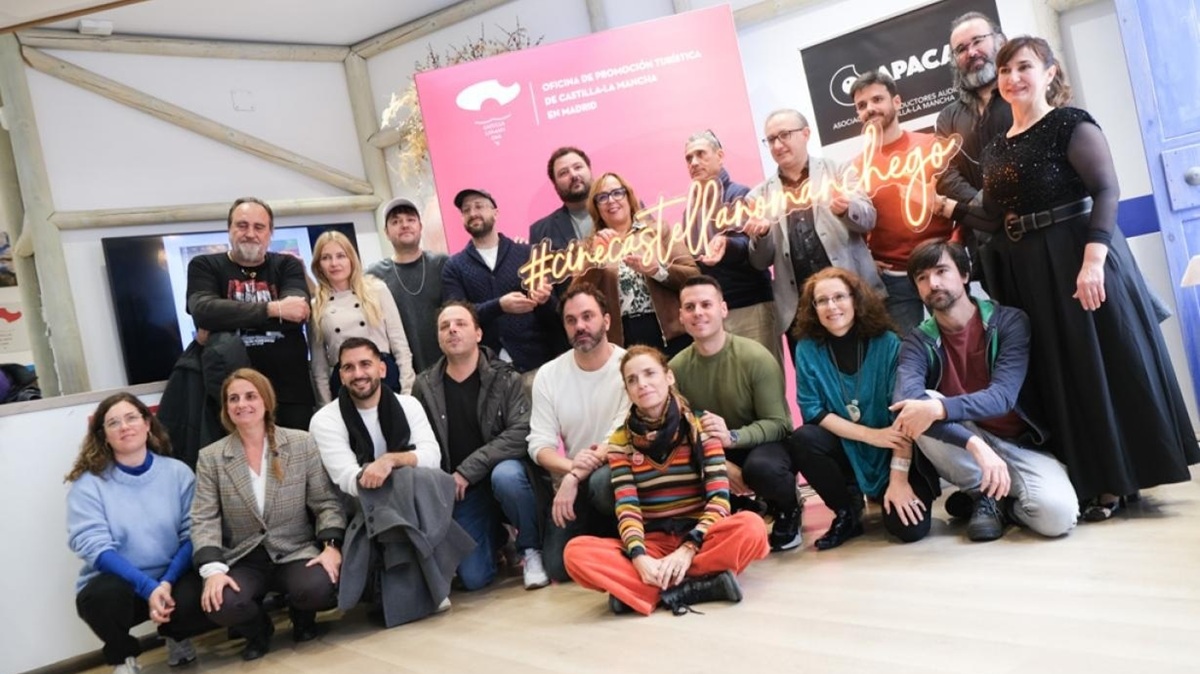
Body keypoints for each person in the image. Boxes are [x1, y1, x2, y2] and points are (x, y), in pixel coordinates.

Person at [934, 36, 1199, 520]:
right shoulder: (995, 149)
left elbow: (1106, 190)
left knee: (1097, 366)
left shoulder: (1071, 124)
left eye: (1024, 67)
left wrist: (1093, 260)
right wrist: (949, 207)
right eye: (1006, 70)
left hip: (1080, 255)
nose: (1013, 78)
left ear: (1049, 73)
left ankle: (1117, 482)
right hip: (1029, 269)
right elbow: (991, 215)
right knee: (1062, 373)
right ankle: (1092, 476)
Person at [892, 240, 1078, 541]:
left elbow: (1002, 397)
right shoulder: (917, 340)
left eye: (941, 271)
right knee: (918, 406)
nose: (933, 283)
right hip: (962, 442)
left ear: (964, 274)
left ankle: (1003, 505)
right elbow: (905, 404)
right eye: (922, 278)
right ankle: (982, 493)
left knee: (1057, 517)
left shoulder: (1008, 321)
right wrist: (974, 444)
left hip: (1019, 445)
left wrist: (941, 409)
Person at [563, 345, 769, 615]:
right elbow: (627, 508)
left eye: (650, 373)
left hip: (700, 537)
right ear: (627, 391)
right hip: (653, 543)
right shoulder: (620, 441)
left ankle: (646, 591)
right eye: (632, 380)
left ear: (668, 376)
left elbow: (719, 500)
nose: (642, 384)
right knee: (575, 553)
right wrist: (639, 557)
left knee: (752, 527)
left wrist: (688, 549)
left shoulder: (701, 429)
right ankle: (703, 585)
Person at [309, 338, 470, 626]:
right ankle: (429, 587)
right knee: (408, 480)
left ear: (382, 369)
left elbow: (432, 457)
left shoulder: (409, 405)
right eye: (348, 367)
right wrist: (393, 473)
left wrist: (391, 461)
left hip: (413, 502)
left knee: (419, 478)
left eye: (365, 364)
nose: (358, 373)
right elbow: (347, 478)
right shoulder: (325, 420)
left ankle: (414, 589)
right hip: (360, 509)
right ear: (341, 375)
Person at [191, 369, 345, 661]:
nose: (242, 404)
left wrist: (331, 547)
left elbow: (325, 502)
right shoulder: (211, 457)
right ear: (226, 407)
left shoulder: (301, 443)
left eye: (250, 396)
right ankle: (259, 630)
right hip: (244, 557)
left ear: (266, 401)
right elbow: (204, 518)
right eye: (233, 399)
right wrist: (212, 571)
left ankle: (302, 617)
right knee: (219, 602)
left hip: (294, 550)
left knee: (319, 586)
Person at [787, 267, 937, 548]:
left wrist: (899, 480)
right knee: (803, 438)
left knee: (910, 530)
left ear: (855, 299)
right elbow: (813, 410)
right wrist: (872, 435)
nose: (831, 306)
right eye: (822, 301)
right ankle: (847, 511)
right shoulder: (807, 349)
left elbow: (904, 415)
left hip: (896, 452)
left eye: (839, 297)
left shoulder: (888, 344)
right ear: (813, 309)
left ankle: (887, 489)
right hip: (850, 447)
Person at [66, 393, 212, 674]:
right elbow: (95, 548)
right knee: (100, 598)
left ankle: (176, 635)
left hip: (171, 579)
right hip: (123, 586)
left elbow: (194, 533)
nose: (124, 427)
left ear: (147, 424)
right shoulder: (88, 485)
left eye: (131, 418)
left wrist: (166, 583)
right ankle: (123, 658)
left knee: (207, 587)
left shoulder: (178, 473)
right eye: (113, 423)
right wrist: (148, 587)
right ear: (104, 436)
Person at [413, 302, 549, 591]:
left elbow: (521, 431)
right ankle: (499, 539)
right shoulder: (424, 386)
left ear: (478, 333)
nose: (452, 330)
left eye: (460, 323)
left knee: (507, 476)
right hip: (465, 491)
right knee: (474, 578)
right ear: (438, 338)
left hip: (503, 475)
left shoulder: (506, 377)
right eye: (444, 326)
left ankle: (530, 549)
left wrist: (468, 469)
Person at [670, 277, 799, 551]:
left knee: (763, 469)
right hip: (713, 452)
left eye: (706, 304)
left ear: (723, 309)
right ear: (681, 316)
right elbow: (678, 431)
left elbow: (780, 425)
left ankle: (788, 508)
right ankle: (743, 507)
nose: (698, 313)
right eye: (690, 307)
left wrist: (732, 437)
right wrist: (719, 463)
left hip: (760, 445)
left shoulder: (755, 357)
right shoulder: (675, 369)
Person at [745, 109, 882, 365]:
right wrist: (762, 235)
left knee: (872, 370)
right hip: (800, 312)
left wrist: (847, 209)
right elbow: (759, 262)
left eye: (784, 135)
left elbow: (869, 219)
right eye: (771, 139)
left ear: (806, 133)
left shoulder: (838, 171)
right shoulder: (759, 196)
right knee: (815, 380)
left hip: (853, 300)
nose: (777, 145)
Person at [527, 283, 630, 582]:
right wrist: (572, 468)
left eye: (588, 316)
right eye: (571, 320)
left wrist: (574, 475)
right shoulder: (549, 375)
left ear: (606, 320)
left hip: (620, 474)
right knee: (558, 567)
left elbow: (620, 437)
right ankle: (608, 547)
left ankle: (620, 542)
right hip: (577, 476)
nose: (580, 326)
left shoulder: (629, 366)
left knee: (602, 482)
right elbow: (540, 446)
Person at [185, 197, 315, 430]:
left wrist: (224, 318)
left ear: (270, 232)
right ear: (229, 229)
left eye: (259, 227)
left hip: (290, 393)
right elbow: (204, 311)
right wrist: (274, 309)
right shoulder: (204, 265)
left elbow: (297, 311)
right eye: (242, 225)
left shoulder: (287, 265)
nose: (250, 233)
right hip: (232, 397)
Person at [850, 71, 959, 335]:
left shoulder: (931, 147)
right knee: (908, 352)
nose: (870, 108)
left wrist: (956, 243)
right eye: (862, 105)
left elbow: (960, 201)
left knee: (958, 341)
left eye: (877, 99)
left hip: (940, 266)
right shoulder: (857, 167)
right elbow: (855, 223)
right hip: (893, 279)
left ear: (897, 102)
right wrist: (867, 260)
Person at [442, 188, 562, 387]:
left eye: (479, 206)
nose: (473, 213)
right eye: (466, 210)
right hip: (488, 373)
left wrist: (544, 298)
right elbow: (457, 315)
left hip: (537, 365)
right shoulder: (454, 266)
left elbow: (553, 312)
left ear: (495, 212)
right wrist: (499, 306)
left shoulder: (528, 254)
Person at [572, 172, 699, 357]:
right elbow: (576, 299)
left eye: (617, 192)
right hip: (622, 339)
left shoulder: (658, 231)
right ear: (596, 207)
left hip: (672, 334)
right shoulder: (588, 247)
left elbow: (693, 276)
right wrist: (596, 259)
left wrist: (658, 270)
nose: (611, 200)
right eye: (602, 197)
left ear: (628, 196)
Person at [682, 130, 777, 361]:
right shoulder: (690, 211)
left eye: (701, 154)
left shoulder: (741, 194)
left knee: (763, 375)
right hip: (714, 313)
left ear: (720, 156)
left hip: (749, 305)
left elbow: (753, 247)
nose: (694, 162)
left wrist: (727, 244)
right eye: (689, 158)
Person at [936, 12, 1009, 281]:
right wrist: (983, 205)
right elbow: (945, 174)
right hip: (985, 242)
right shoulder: (948, 118)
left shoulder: (1023, 97)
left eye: (978, 41)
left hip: (1036, 229)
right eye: (961, 49)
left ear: (1000, 41)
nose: (972, 52)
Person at [366, 197, 448, 373]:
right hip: (403, 372)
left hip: (448, 365)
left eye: (410, 220)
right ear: (386, 232)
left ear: (420, 226)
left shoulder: (442, 264)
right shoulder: (373, 276)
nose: (404, 225)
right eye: (396, 222)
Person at [530, 146, 595, 251]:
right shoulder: (541, 231)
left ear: (590, 170)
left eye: (578, 167)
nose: (573, 175)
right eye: (564, 173)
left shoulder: (618, 209)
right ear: (555, 184)